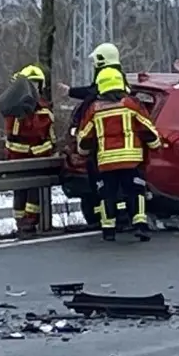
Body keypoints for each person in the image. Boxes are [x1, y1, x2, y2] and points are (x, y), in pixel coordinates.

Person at [77, 66, 162, 242]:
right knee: (135, 191)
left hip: (106, 160)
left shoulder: (94, 109)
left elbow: (85, 136)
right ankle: (140, 225)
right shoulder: (131, 104)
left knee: (107, 193)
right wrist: (156, 144)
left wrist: (83, 151)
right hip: (131, 159)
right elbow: (146, 128)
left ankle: (108, 230)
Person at [69, 43, 125, 226]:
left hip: (102, 150)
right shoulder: (122, 90)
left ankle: (107, 220)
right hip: (120, 150)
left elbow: (91, 99)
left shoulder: (101, 97)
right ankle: (115, 218)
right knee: (114, 187)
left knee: (104, 187)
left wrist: (82, 144)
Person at [4, 64, 56, 237]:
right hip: (27, 159)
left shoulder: (39, 109)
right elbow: (23, 134)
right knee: (26, 193)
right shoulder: (18, 109)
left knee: (28, 193)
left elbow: (48, 135)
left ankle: (27, 224)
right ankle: (25, 224)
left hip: (28, 159)